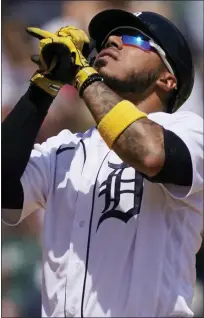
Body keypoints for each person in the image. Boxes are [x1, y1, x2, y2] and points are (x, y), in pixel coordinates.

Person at [2, 9, 203, 318]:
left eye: (135, 38)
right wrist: (43, 86)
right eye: (110, 37)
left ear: (168, 78)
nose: (113, 41)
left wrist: (84, 76)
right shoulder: (66, 147)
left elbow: (148, 153)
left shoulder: (189, 132)